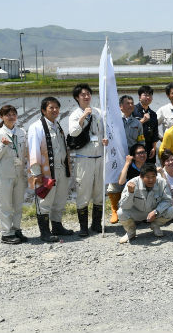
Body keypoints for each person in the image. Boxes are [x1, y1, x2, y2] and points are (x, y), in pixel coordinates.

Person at [27, 96, 72, 242]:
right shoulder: (36, 127)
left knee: (59, 199)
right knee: (44, 201)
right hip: (45, 171)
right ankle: (45, 232)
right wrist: (36, 173)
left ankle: (57, 226)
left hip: (60, 169)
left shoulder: (57, 125)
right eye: (51, 108)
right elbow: (33, 151)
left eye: (57, 107)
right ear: (43, 110)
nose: (55, 110)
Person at [68, 84, 109, 237]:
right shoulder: (75, 114)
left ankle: (96, 224)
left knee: (99, 192)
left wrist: (106, 140)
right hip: (84, 159)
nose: (86, 97)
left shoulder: (99, 113)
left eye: (88, 94)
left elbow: (105, 131)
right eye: (83, 94)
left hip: (99, 158)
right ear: (77, 98)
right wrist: (83, 116)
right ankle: (83, 227)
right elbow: (73, 132)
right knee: (83, 192)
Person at [0, 105, 28, 244]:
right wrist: (2, 145)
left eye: (13, 114)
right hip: (4, 176)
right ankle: (6, 233)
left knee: (17, 204)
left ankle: (16, 229)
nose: (11, 117)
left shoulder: (21, 132)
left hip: (19, 174)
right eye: (8, 115)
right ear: (2, 117)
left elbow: (25, 151)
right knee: (5, 205)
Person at [117, 163, 173, 243]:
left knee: (171, 210)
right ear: (141, 177)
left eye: (153, 176)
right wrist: (130, 193)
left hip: (154, 211)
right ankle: (131, 231)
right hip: (137, 212)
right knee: (121, 212)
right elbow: (124, 206)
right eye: (147, 177)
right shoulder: (132, 183)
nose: (151, 180)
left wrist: (156, 211)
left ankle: (155, 225)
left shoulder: (162, 182)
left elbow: (168, 200)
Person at [133, 85, 160, 164]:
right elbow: (130, 128)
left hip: (149, 147)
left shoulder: (153, 114)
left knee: (150, 170)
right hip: (136, 146)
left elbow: (155, 132)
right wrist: (142, 120)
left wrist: (154, 148)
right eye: (145, 95)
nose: (148, 97)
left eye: (150, 95)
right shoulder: (133, 110)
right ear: (139, 97)